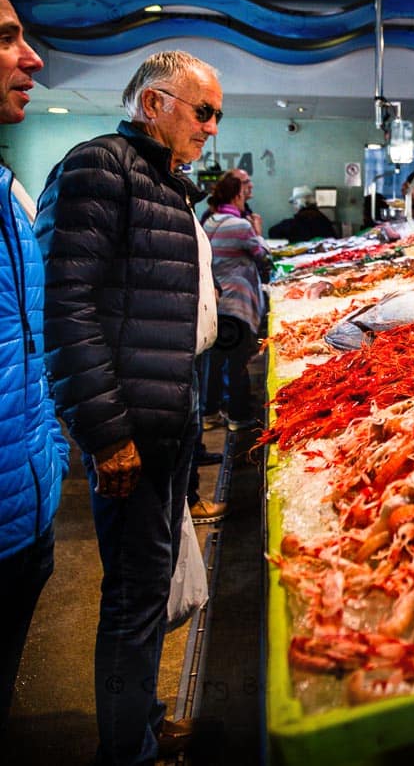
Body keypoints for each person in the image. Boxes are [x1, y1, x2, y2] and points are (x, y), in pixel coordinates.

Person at [35, 49, 223, 764]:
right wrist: (106, 432)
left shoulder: (165, 184)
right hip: (131, 436)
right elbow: (66, 310)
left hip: (167, 428)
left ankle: (141, 720)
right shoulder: (99, 168)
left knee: (148, 585)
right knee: (132, 599)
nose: (210, 127)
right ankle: (128, 752)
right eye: (201, 110)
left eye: (215, 115)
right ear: (154, 103)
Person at [0, 0, 69, 739]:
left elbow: (33, 341)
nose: (34, 59)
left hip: (27, 514)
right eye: (5, 38)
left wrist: (48, 460)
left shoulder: (9, 200)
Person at [202, 172, 270, 436]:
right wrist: (258, 232)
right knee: (238, 363)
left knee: (215, 361)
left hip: (215, 304)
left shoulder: (209, 222)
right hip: (237, 305)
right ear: (237, 194)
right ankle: (239, 417)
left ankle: (209, 413)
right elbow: (263, 256)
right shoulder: (240, 226)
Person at [268, 185, 335, 242]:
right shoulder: (324, 220)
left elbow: (272, 232)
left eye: (294, 203)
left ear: (297, 204)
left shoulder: (293, 224)